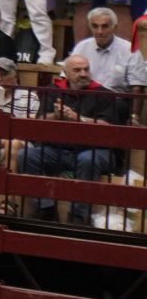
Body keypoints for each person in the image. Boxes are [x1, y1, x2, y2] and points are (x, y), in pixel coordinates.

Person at [17, 54, 127, 225]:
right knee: (26, 155)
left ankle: (78, 216)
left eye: (86, 69)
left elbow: (107, 126)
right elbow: (38, 122)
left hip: (94, 150)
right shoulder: (53, 91)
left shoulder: (104, 94)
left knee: (87, 160)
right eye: (77, 70)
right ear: (65, 73)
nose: (83, 74)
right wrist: (56, 115)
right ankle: (46, 210)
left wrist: (77, 118)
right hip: (57, 151)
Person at [68, 7, 130, 89]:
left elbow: (137, 86)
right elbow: (67, 76)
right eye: (95, 26)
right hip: (86, 98)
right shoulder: (82, 46)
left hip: (116, 99)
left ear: (115, 27)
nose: (99, 31)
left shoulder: (129, 49)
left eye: (104, 26)